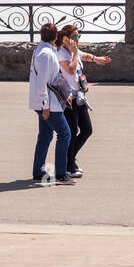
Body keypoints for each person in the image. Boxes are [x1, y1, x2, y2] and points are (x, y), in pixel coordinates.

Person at [55, 24, 112, 178]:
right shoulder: (61, 54)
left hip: (79, 97)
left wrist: (96, 59)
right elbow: (71, 70)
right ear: (65, 39)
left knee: (87, 130)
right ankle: (68, 164)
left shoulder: (74, 51)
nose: (77, 40)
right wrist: (74, 54)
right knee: (72, 132)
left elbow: (84, 55)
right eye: (74, 37)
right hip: (68, 98)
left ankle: (69, 159)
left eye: (78, 37)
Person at [30, 21, 73, 183]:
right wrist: (45, 107)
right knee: (65, 134)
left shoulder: (41, 50)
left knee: (45, 136)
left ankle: (38, 171)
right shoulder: (46, 55)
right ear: (55, 37)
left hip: (45, 102)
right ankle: (61, 173)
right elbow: (42, 84)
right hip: (48, 104)